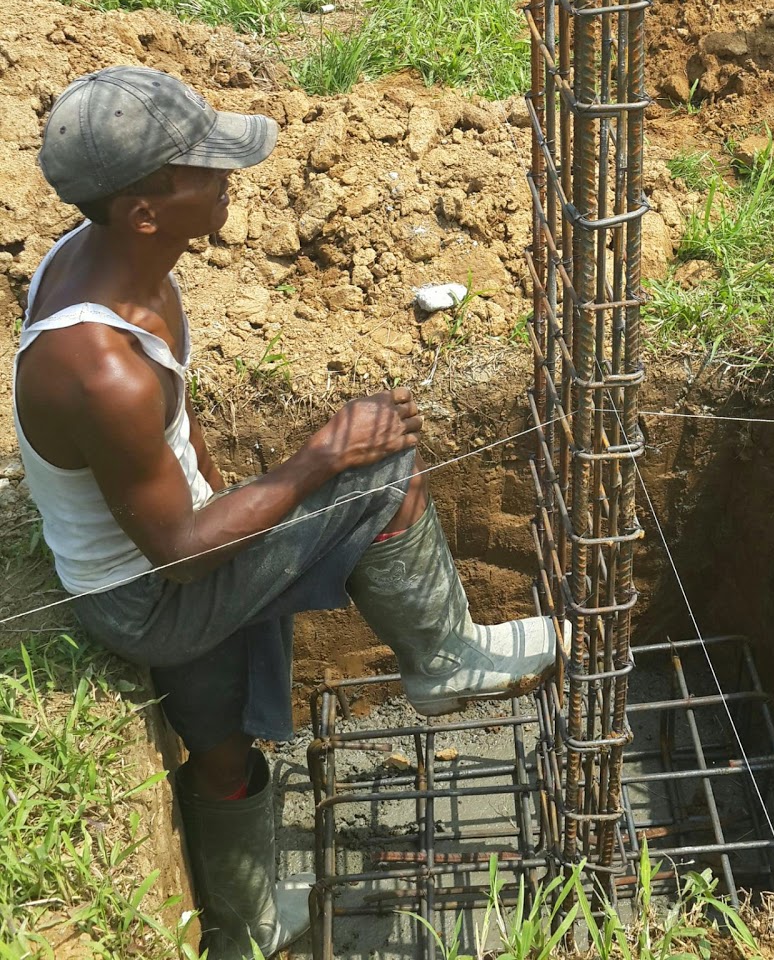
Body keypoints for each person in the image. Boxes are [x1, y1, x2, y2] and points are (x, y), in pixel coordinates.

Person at [13, 66, 557, 960]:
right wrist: (321, 459)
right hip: (151, 595)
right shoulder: (98, 367)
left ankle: (246, 931)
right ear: (143, 209)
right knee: (383, 470)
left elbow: (181, 431)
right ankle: (446, 659)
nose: (229, 179)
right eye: (204, 168)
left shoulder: (111, 264)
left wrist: (239, 505)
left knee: (221, 753)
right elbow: (183, 555)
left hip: (160, 558)